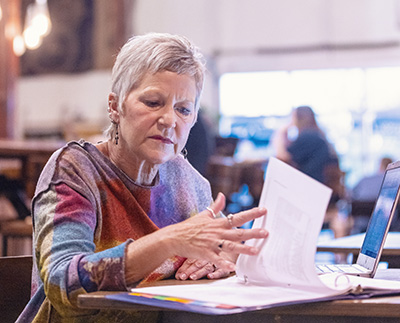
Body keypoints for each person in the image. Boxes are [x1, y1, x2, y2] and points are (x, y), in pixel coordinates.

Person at [16, 33, 268, 323]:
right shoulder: (76, 169)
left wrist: (224, 260)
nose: (169, 119)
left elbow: (220, 255)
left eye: (183, 109)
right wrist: (169, 241)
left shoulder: (191, 182)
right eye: (152, 102)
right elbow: (63, 284)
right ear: (115, 106)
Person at [273, 106, 348, 238]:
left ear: (297, 118)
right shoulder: (319, 136)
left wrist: (281, 132)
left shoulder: (307, 136)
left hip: (311, 195)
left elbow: (281, 157)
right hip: (326, 195)